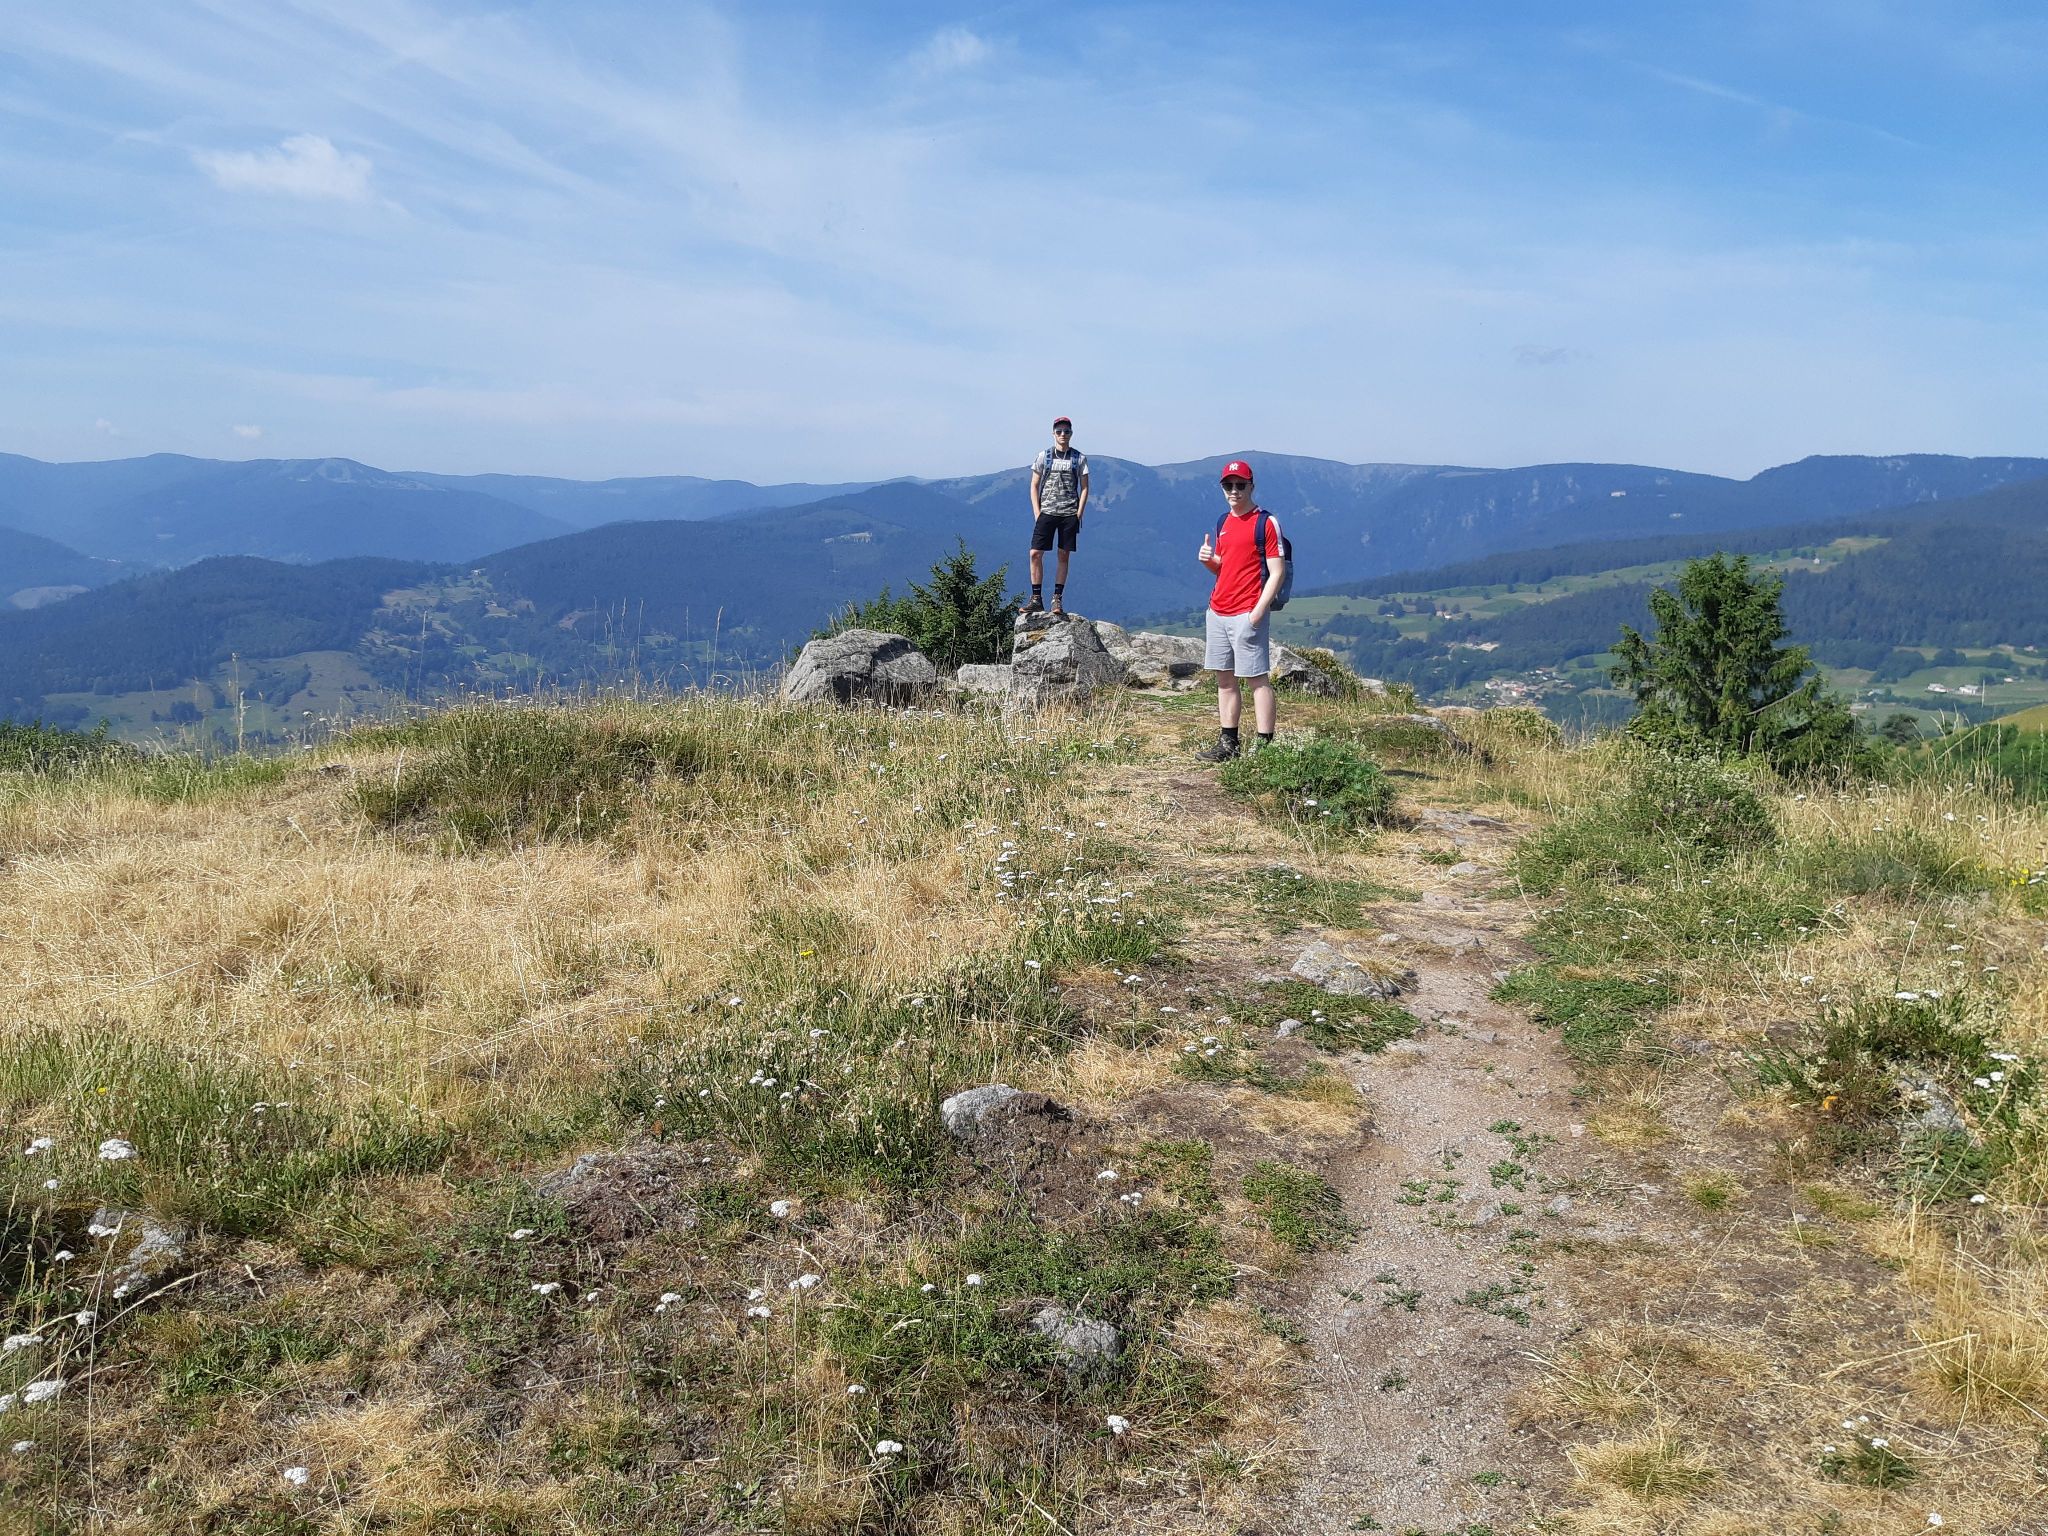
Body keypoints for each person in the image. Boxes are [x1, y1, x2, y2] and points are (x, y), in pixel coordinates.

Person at [1197, 458, 1285, 761]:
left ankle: (1264, 749)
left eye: (1240, 485)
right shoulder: (1223, 521)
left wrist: (1258, 612)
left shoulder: (1266, 523)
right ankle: (1228, 744)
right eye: (1228, 485)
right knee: (1225, 680)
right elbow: (1224, 567)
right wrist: (1208, 560)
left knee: (1257, 680)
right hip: (1218, 611)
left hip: (1247, 612)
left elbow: (1277, 572)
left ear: (1251, 486)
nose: (1234, 491)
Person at [1022, 415, 1089, 618]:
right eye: (1059, 431)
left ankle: (1057, 598)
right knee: (1035, 553)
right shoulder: (1044, 456)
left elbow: (1085, 487)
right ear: (1053, 433)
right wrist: (1037, 511)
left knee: (1063, 555)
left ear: (1071, 434)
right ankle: (1036, 598)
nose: (1062, 434)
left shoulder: (1079, 458)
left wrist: (1078, 513)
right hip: (1047, 512)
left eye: (1066, 431)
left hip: (1069, 513)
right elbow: (1034, 484)